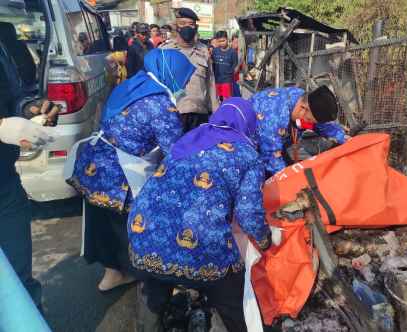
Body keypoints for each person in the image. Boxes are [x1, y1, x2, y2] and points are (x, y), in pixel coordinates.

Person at [128, 98, 272, 332]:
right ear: (248, 125)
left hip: (143, 235)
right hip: (202, 248)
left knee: (154, 288)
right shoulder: (248, 155)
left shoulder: (189, 139)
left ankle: (149, 324)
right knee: (233, 297)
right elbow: (248, 213)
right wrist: (265, 239)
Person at [65, 49, 195, 292]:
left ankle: (111, 274)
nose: (185, 85)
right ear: (171, 74)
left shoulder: (132, 86)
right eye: (184, 79)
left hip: (95, 166)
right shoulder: (160, 105)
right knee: (129, 226)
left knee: (101, 221)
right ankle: (148, 280)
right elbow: (175, 152)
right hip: (120, 175)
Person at [0, 40, 59, 310]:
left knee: (18, 280)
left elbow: (12, 97)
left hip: (5, 184)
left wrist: (31, 109)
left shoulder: (2, 44)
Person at [250, 85, 348, 176]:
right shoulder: (273, 118)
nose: (310, 124)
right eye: (309, 120)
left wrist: (344, 140)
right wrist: (295, 181)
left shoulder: (303, 99)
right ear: (303, 108)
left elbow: (323, 126)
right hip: (251, 147)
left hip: (277, 141)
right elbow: (272, 159)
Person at [161, 7, 218, 132]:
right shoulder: (164, 51)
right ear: (176, 27)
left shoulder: (203, 50)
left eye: (191, 24)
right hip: (174, 113)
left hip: (199, 113)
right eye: (182, 24)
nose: (187, 27)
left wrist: (215, 112)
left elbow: (210, 83)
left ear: (196, 28)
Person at [212, 30, 238, 101]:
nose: (221, 43)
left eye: (223, 41)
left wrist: (229, 75)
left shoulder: (233, 52)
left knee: (226, 100)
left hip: (227, 81)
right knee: (216, 100)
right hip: (216, 80)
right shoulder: (215, 51)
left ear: (227, 39)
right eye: (219, 41)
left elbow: (235, 67)